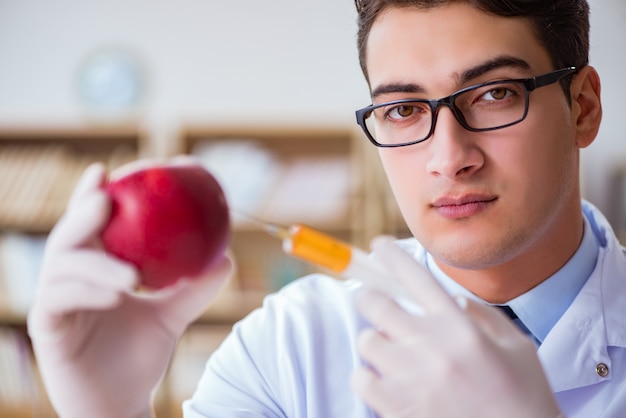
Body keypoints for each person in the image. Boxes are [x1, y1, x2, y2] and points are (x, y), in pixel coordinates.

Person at [27, 0, 625, 417]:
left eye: (496, 94)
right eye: (402, 110)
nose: (449, 157)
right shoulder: (285, 346)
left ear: (582, 107)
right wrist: (112, 412)